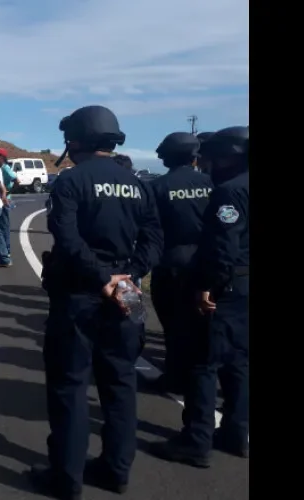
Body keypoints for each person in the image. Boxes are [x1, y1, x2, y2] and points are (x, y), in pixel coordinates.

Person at [31, 105, 163, 500]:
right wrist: (130, 274)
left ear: (76, 140)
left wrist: (102, 277)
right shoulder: (137, 183)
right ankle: (116, 470)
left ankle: (66, 478)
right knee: (122, 382)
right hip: (129, 290)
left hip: (81, 290)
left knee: (70, 385)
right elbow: (156, 238)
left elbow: (67, 240)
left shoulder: (70, 182)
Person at [153, 126, 249, 467]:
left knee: (202, 363)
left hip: (221, 284)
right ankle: (237, 433)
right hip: (244, 286)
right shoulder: (225, 187)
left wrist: (208, 285)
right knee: (238, 361)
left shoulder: (229, 192)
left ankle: (196, 440)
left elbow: (224, 245)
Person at [147, 132, 214, 395]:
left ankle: (175, 378)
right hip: (207, 263)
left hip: (171, 264)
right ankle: (202, 381)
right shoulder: (212, 184)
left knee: (173, 328)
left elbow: (150, 229)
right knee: (203, 327)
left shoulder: (158, 187)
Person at [0, 147, 16, 258]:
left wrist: (8, 191)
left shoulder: (5, 168)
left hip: (5, 199)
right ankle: (1, 248)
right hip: (0, 198)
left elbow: (16, 179)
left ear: (2, 157)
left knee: (4, 225)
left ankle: (7, 249)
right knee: (0, 224)